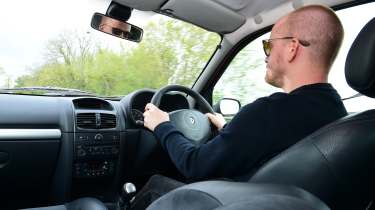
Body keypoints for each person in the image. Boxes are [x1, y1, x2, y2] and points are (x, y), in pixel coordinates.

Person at [132, 4, 348, 210]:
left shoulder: (269, 111)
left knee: (155, 185)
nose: (266, 56)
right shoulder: (338, 114)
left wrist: (162, 125)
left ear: (292, 48)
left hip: (245, 201)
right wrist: (228, 129)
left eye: (269, 45)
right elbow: (276, 148)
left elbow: (194, 166)